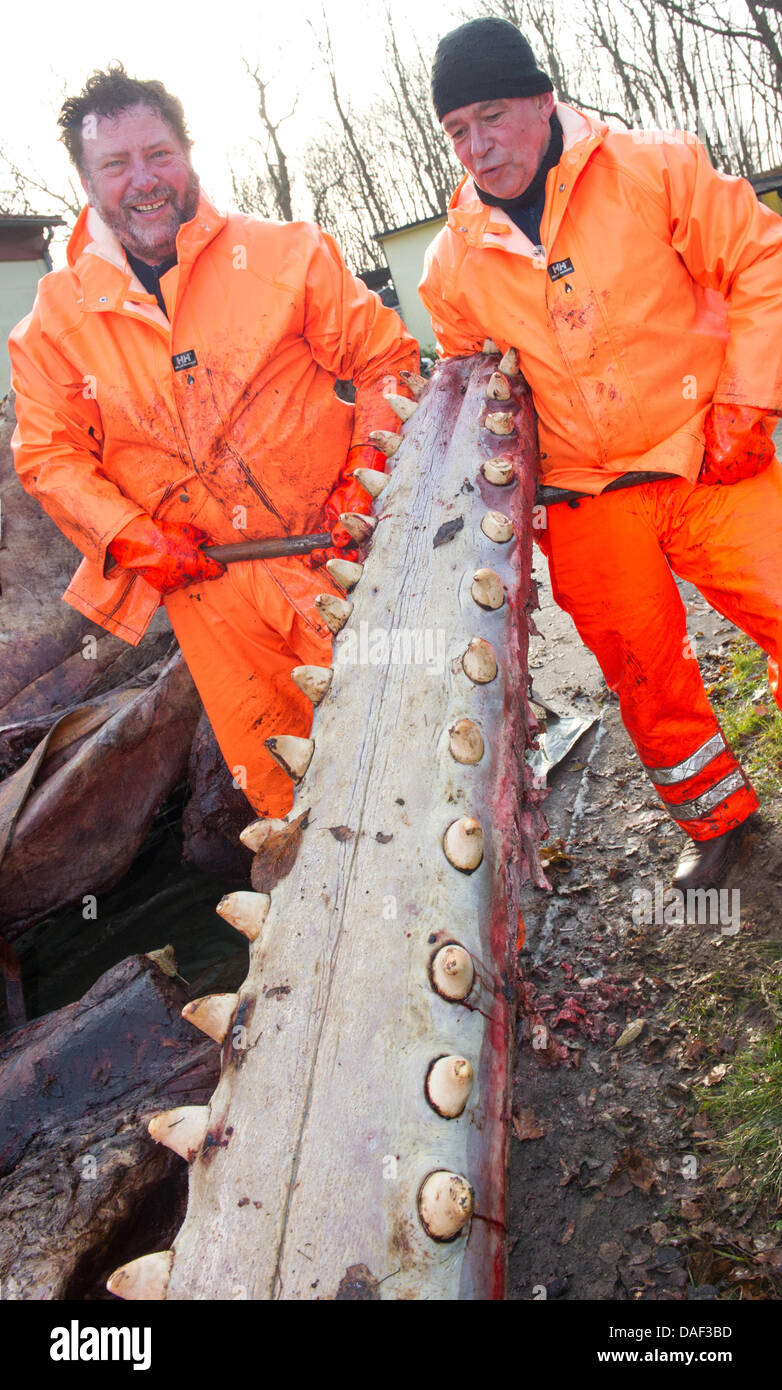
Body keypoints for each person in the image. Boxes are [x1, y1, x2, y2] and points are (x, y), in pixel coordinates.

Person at [9, 65, 418, 819]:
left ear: (189, 151)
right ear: (86, 182)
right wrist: (134, 538)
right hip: (210, 591)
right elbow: (49, 455)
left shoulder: (283, 252)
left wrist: (368, 472)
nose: (145, 180)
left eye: (159, 153)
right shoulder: (53, 325)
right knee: (285, 793)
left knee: (409, 745)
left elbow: (385, 359)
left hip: (340, 558)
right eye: (116, 163)